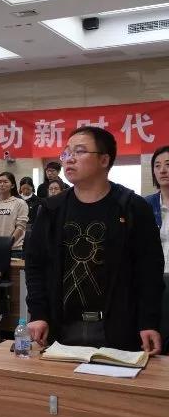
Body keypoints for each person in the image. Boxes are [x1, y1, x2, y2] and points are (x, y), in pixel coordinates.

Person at [26, 126, 163, 354]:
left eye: (79, 151)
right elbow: (35, 265)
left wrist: (148, 321)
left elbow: (150, 270)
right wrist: (38, 314)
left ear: (104, 160)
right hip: (61, 326)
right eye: (66, 153)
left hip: (120, 327)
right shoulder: (51, 209)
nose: (69, 159)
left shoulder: (132, 207)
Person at [0, 172, 29, 257]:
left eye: (5, 182)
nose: (2, 184)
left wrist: (8, 243)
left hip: (14, 249)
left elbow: (20, 226)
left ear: (12, 185)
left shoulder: (20, 203)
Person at [145, 146, 169, 273]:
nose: (162, 170)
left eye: (168, 165)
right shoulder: (145, 205)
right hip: (154, 277)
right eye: (157, 166)